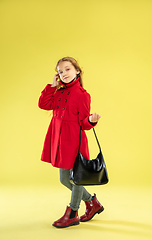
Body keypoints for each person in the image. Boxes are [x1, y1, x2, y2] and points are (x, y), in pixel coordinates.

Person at [38, 57, 104, 228]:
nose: (64, 73)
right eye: (60, 71)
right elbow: (43, 104)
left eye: (67, 69)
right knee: (64, 179)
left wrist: (91, 120)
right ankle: (92, 202)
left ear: (77, 71)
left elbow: (83, 124)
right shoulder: (58, 92)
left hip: (74, 141)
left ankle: (72, 213)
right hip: (59, 140)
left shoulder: (82, 95)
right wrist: (52, 86)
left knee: (76, 180)